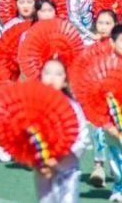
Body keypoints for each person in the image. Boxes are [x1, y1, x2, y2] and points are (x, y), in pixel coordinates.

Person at [35, 58, 87, 203]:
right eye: (47, 73)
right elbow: (28, 137)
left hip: (68, 169)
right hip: (43, 170)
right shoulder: (34, 105)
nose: (52, 77)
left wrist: (62, 154)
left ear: (65, 82)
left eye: (58, 74)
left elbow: (82, 138)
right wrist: (37, 159)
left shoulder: (73, 107)